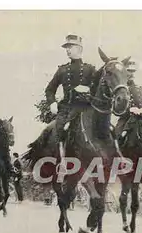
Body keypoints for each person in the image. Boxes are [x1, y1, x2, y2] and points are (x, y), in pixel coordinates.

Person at [44, 34, 96, 171]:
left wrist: (88, 89)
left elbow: (99, 89)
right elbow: (49, 90)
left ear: (79, 48)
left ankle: (113, 158)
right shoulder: (62, 69)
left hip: (86, 107)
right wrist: (52, 103)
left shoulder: (90, 69)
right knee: (60, 129)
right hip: (67, 107)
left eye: (70, 47)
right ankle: (62, 162)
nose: (67, 50)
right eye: (66, 48)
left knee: (107, 128)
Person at [114, 60, 142, 146]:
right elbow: (116, 109)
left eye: (133, 71)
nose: (131, 74)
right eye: (129, 71)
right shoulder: (120, 89)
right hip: (126, 121)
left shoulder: (140, 89)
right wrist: (130, 110)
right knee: (117, 138)